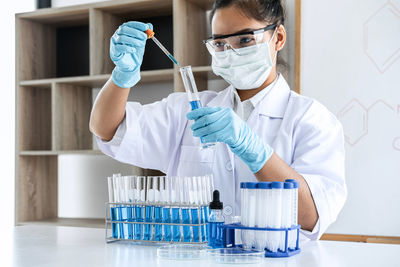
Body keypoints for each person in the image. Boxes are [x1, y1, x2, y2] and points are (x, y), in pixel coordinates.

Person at [89, 0, 346, 240]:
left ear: (277, 37)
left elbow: (311, 216)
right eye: (221, 44)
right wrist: (122, 76)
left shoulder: (312, 119)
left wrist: (253, 149)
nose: (231, 53)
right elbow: (107, 129)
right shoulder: (187, 110)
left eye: (245, 39)